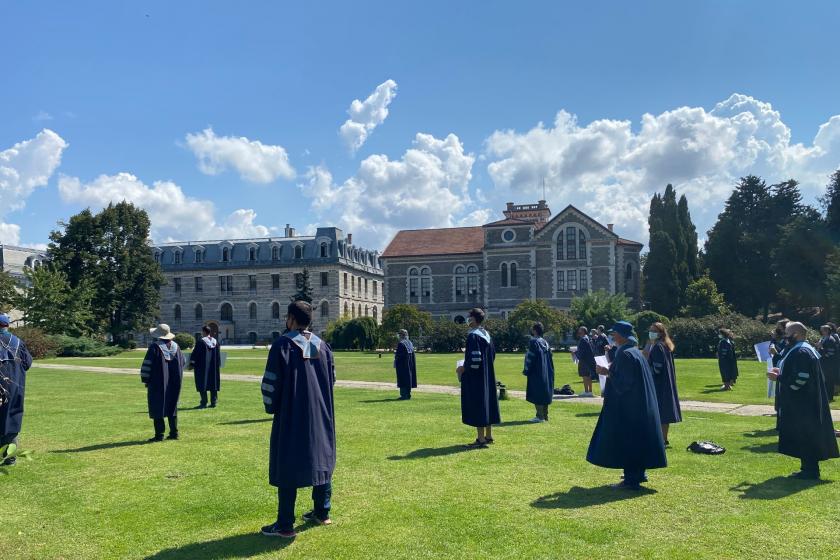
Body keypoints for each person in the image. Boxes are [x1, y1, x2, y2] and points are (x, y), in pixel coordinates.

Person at [260, 301, 336, 539]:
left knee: (288, 461)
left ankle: (285, 525)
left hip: (292, 412)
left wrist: (271, 406)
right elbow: (331, 379)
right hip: (321, 412)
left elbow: (271, 383)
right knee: (321, 456)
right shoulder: (323, 346)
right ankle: (322, 512)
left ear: (291, 318)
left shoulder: (283, 345)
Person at [587, 321, 666, 489]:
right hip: (638, 405)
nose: (612, 336)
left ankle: (631, 480)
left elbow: (624, 383)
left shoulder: (625, 354)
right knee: (638, 441)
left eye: (614, 333)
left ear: (622, 336)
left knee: (629, 441)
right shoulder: (635, 352)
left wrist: (607, 372)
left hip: (629, 407)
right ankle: (638, 474)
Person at [767, 321, 839, 479]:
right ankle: (807, 468)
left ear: (797, 334)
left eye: (787, 333)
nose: (785, 336)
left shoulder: (801, 352)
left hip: (803, 403)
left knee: (806, 435)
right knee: (805, 435)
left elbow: (801, 378)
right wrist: (782, 371)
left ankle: (810, 471)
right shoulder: (804, 349)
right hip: (807, 401)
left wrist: (778, 377)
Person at [456, 308, 500, 449]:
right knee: (488, 403)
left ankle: (480, 439)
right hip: (488, 375)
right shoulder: (486, 334)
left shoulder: (473, 336)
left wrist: (464, 368)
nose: (467, 319)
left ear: (474, 319)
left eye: (469, 317)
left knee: (479, 404)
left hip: (477, 377)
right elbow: (492, 356)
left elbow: (475, 359)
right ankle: (488, 435)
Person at [141, 324, 184, 441]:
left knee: (157, 405)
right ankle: (174, 433)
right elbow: (183, 362)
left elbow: (147, 365)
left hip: (157, 383)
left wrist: (146, 379)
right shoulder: (177, 347)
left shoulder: (154, 347)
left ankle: (159, 435)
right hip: (175, 383)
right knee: (172, 405)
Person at [0, 314, 33, 467]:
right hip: (13, 387)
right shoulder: (18, 342)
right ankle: (9, 457)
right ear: (7, 325)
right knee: (11, 420)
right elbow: (27, 363)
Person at [643, 322, 682, 446]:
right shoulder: (665, 345)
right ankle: (663, 439)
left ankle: (661, 439)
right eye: (650, 330)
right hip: (666, 382)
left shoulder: (658, 347)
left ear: (660, 333)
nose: (651, 333)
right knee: (664, 412)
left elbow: (657, 368)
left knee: (659, 411)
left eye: (654, 330)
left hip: (659, 383)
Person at [523, 322, 554, 423]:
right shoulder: (545, 342)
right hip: (546, 370)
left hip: (537, 371)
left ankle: (539, 416)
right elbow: (550, 357)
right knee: (544, 392)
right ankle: (545, 415)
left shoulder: (533, 342)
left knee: (537, 392)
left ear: (535, 330)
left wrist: (527, 369)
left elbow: (530, 357)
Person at [189, 326, 221, 408]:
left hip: (202, 367)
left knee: (202, 382)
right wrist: (218, 364)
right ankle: (214, 402)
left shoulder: (201, 342)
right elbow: (218, 355)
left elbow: (195, 353)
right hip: (213, 367)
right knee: (213, 383)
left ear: (203, 332)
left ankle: (204, 402)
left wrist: (192, 364)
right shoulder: (215, 342)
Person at [816, 325, 838, 401]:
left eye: (823, 330)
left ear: (827, 331)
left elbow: (831, 353)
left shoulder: (830, 339)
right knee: (825, 380)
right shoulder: (823, 338)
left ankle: (829, 397)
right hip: (823, 363)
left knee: (829, 380)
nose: (821, 331)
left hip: (829, 364)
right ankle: (825, 396)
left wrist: (821, 348)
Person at [393, 329, 417, 400]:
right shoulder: (410, 343)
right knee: (408, 379)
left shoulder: (401, 344)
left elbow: (399, 356)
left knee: (402, 379)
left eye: (399, 334)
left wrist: (395, 359)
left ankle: (404, 395)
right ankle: (408, 394)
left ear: (401, 335)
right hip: (410, 364)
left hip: (402, 365)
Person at [575, 326, 597, 397]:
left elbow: (582, 351)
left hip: (584, 360)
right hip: (589, 359)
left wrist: (575, 353)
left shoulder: (583, 339)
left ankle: (586, 391)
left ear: (583, 331)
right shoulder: (589, 338)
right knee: (589, 376)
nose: (579, 331)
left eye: (580, 330)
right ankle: (590, 391)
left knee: (584, 375)